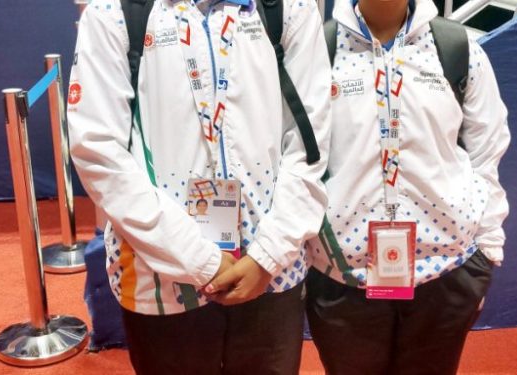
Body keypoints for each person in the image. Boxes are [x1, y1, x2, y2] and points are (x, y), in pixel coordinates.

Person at [67, 0, 330, 373]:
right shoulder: (115, 13)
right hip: (160, 280)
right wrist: (197, 259)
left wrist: (267, 256)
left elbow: (311, 145)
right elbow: (99, 153)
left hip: (270, 274)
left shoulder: (287, 9)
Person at [306, 0, 510, 374]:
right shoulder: (318, 51)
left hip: (446, 271)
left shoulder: (458, 50)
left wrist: (486, 252)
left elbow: (488, 151)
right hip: (343, 273)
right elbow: (299, 157)